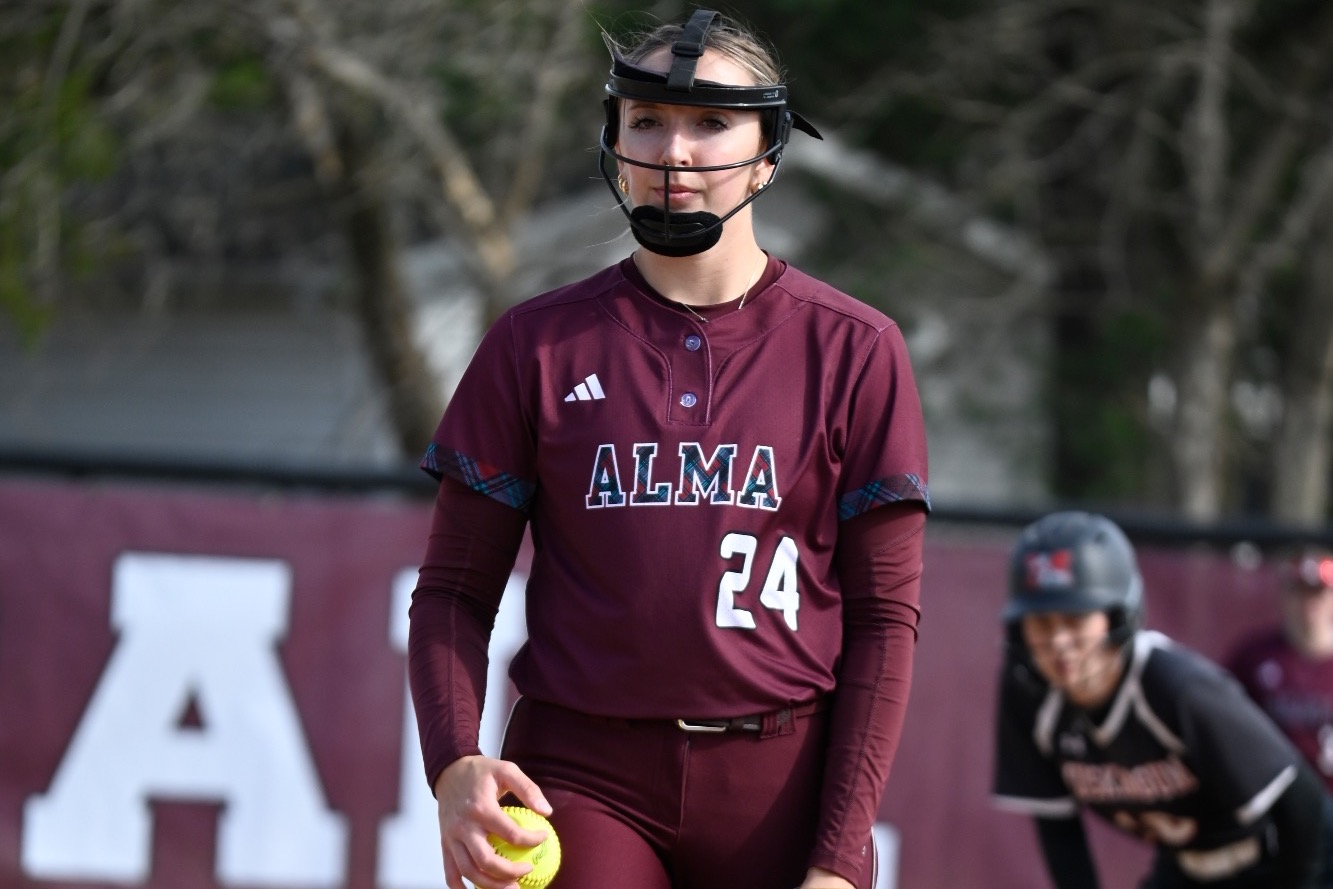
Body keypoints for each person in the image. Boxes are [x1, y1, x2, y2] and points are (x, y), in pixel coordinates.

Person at [406, 9, 930, 889]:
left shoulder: (856, 348)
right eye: (646, 120)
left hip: (779, 782)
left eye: (710, 122)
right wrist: (454, 763)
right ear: (613, 137)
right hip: (580, 772)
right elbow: (454, 594)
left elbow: (884, 624)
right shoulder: (534, 343)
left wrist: (839, 857)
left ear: (769, 152)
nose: (672, 151)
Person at [990, 510, 1333, 889]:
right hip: (1186, 867)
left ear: (1119, 614)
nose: (1058, 643)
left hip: (1289, 856)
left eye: (1075, 619)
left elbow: (1302, 805)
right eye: (1040, 622)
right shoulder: (1029, 691)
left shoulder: (1175, 686)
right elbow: (1059, 832)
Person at [1225, 547, 1333, 793]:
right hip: (1272, 799)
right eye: (1300, 591)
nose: (1310, 602)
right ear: (1285, 594)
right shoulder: (1254, 656)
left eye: (1318, 592)